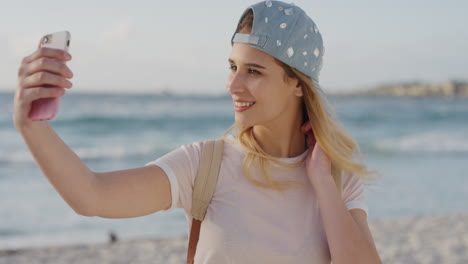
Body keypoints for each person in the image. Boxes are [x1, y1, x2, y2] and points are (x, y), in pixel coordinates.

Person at [13, 1, 381, 263]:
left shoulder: (337, 178)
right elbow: (92, 196)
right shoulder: (205, 165)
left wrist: (321, 181)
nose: (233, 84)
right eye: (232, 66)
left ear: (297, 84)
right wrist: (28, 124)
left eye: (253, 71)